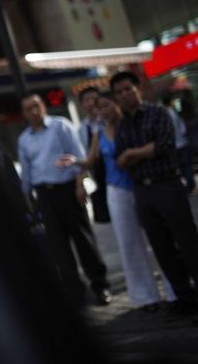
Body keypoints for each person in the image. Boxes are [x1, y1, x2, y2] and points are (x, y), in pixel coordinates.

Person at [57, 91, 175, 311]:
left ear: (117, 104)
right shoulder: (97, 132)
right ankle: (145, 297)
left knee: (159, 239)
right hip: (116, 190)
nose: (102, 110)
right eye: (99, 107)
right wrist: (75, 162)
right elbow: (90, 160)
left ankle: (174, 290)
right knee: (129, 244)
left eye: (106, 105)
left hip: (141, 185)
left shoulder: (130, 125)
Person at [111, 71, 198, 320]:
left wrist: (131, 154)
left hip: (166, 184)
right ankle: (185, 299)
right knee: (162, 248)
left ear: (138, 89)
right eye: (119, 92)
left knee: (188, 243)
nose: (124, 95)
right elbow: (119, 158)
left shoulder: (157, 113)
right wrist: (137, 153)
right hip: (142, 191)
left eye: (128, 89)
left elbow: (163, 146)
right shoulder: (123, 124)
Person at [18, 94, 111, 306]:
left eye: (37, 106)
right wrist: (29, 199)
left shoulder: (61, 126)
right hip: (44, 195)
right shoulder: (24, 139)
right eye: (29, 108)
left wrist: (80, 186)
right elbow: (26, 172)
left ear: (43, 106)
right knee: (59, 248)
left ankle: (100, 286)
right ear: (24, 113)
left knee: (84, 241)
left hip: (68, 190)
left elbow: (78, 156)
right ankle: (76, 293)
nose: (34, 111)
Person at [77, 86, 110, 223]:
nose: (91, 103)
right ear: (82, 104)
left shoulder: (110, 121)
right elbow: (85, 157)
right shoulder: (82, 129)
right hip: (99, 178)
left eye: (94, 99)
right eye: (87, 100)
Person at [162, 93, 195, 193]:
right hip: (182, 143)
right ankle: (190, 184)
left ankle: (188, 184)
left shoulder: (164, 114)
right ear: (170, 101)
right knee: (187, 165)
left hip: (174, 145)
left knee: (181, 166)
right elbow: (182, 128)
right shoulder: (174, 112)